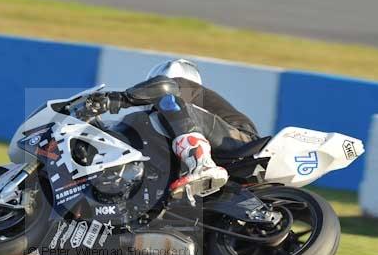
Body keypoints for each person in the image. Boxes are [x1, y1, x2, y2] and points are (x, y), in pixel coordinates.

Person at [85, 59, 259, 194]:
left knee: (162, 107)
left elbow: (165, 91)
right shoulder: (165, 122)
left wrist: (119, 98)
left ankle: (203, 164)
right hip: (224, 166)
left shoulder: (179, 88)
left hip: (240, 142)